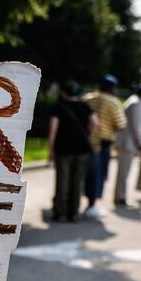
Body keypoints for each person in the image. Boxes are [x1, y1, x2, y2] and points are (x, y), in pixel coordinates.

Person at [48, 81, 98, 222]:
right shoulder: (85, 106)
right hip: (82, 148)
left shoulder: (59, 107)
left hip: (63, 149)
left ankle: (60, 212)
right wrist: (89, 135)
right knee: (77, 182)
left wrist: (50, 151)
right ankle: (74, 212)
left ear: (64, 93)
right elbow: (95, 122)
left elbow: (53, 130)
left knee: (62, 181)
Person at [82, 74, 126, 219]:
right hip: (103, 143)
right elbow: (121, 124)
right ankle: (92, 205)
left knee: (85, 173)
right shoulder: (113, 102)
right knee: (99, 174)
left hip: (86, 140)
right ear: (112, 88)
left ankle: (80, 202)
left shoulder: (87, 98)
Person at [114, 83, 141, 206]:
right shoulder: (135, 103)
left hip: (128, 143)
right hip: (128, 143)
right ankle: (121, 197)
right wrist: (140, 143)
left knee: (124, 172)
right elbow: (136, 126)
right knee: (124, 172)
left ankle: (120, 196)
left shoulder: (135, 102)